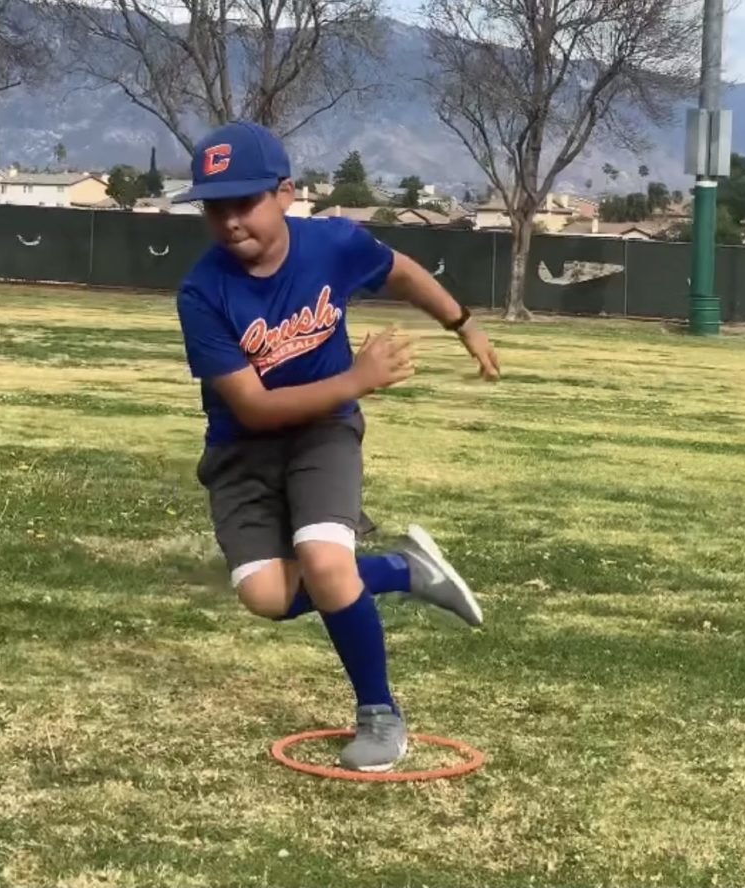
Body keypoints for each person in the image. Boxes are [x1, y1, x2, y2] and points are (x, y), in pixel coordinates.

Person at [172, 120, 501, 772]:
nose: (230, 220)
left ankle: (379, 713)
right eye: (214, 207)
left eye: (244, 201)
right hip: (243, 451)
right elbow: (253, 407)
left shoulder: (334, 244)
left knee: (325, 562)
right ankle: (404, 572)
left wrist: (462, 323)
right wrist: (357, 378)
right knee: (266, 596)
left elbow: (402, 273)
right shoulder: (202, 292)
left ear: (285, 193)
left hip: (324, 433)